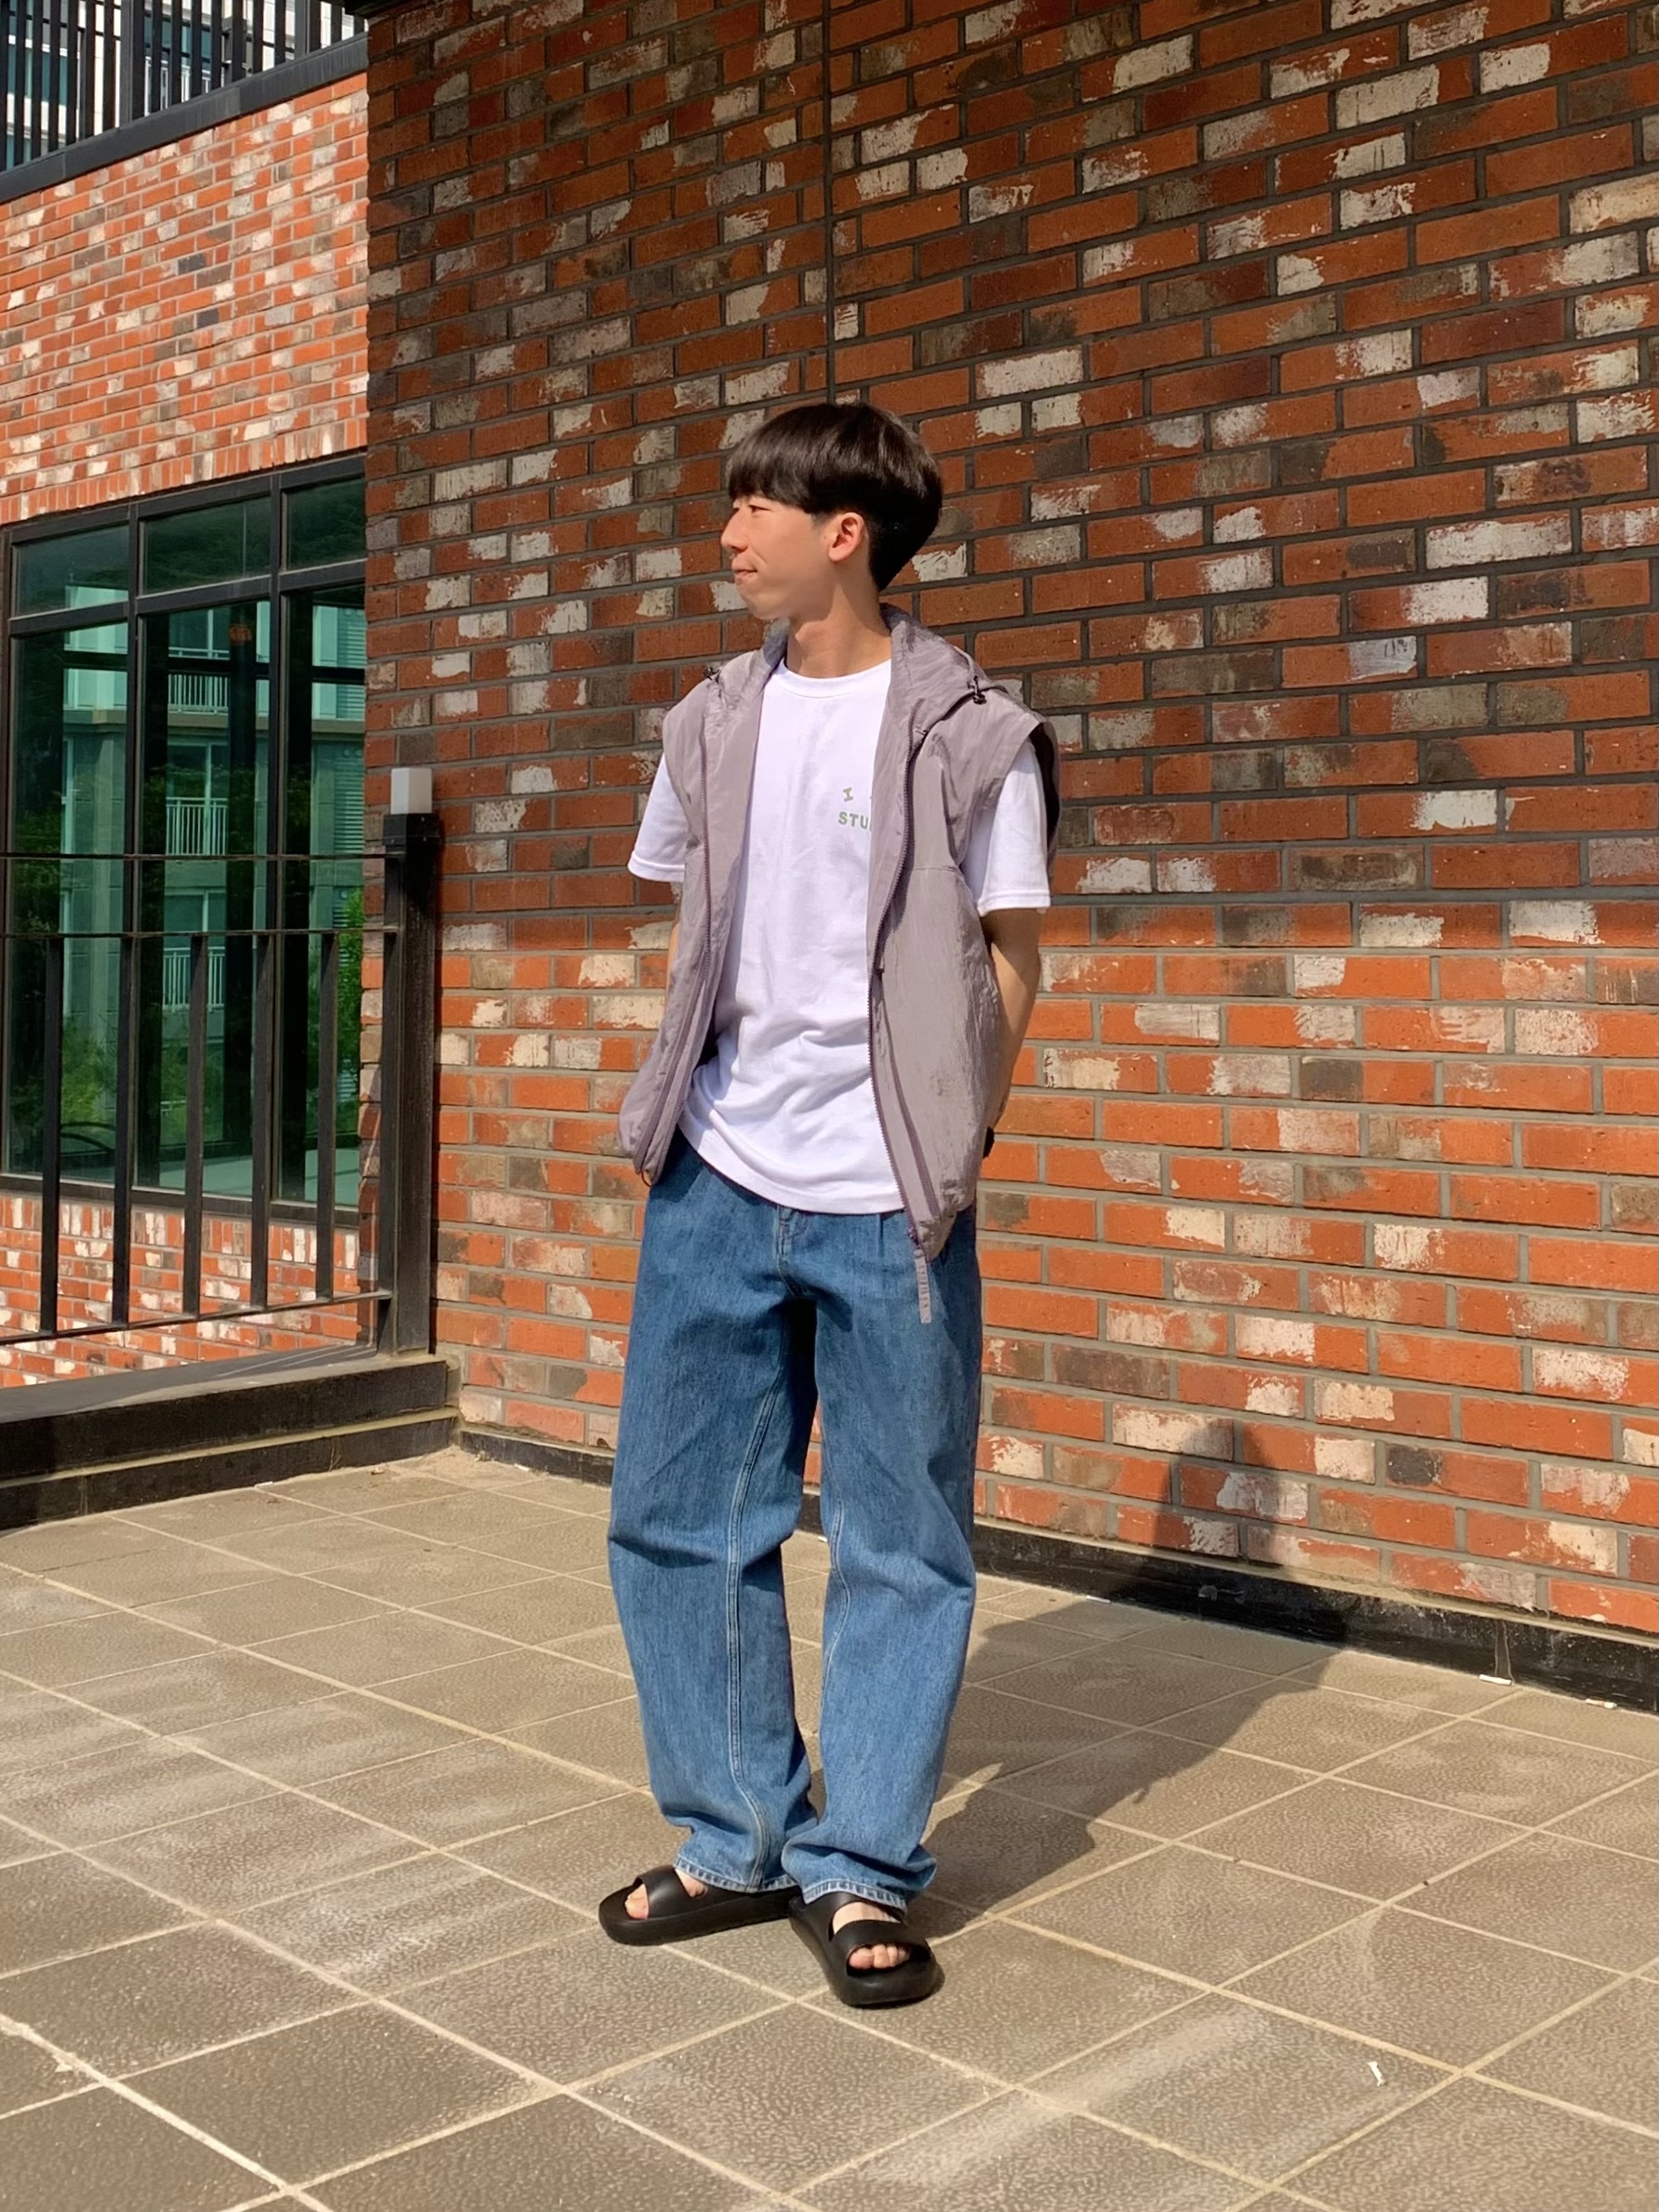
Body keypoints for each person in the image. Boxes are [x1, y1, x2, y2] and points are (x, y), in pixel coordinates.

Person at [600, 400, 1058, 2007]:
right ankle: (734, 1834)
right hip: (718, 1178)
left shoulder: (972, 734)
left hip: (889, 1197)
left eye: (756, 507)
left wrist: (956, 1129)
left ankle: (859, 1861)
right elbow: (694, 924)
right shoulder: (711, 717)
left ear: (843, 532)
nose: (729, 534)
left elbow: (1012, 954)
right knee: (674, 1519)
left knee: (899, 1539)